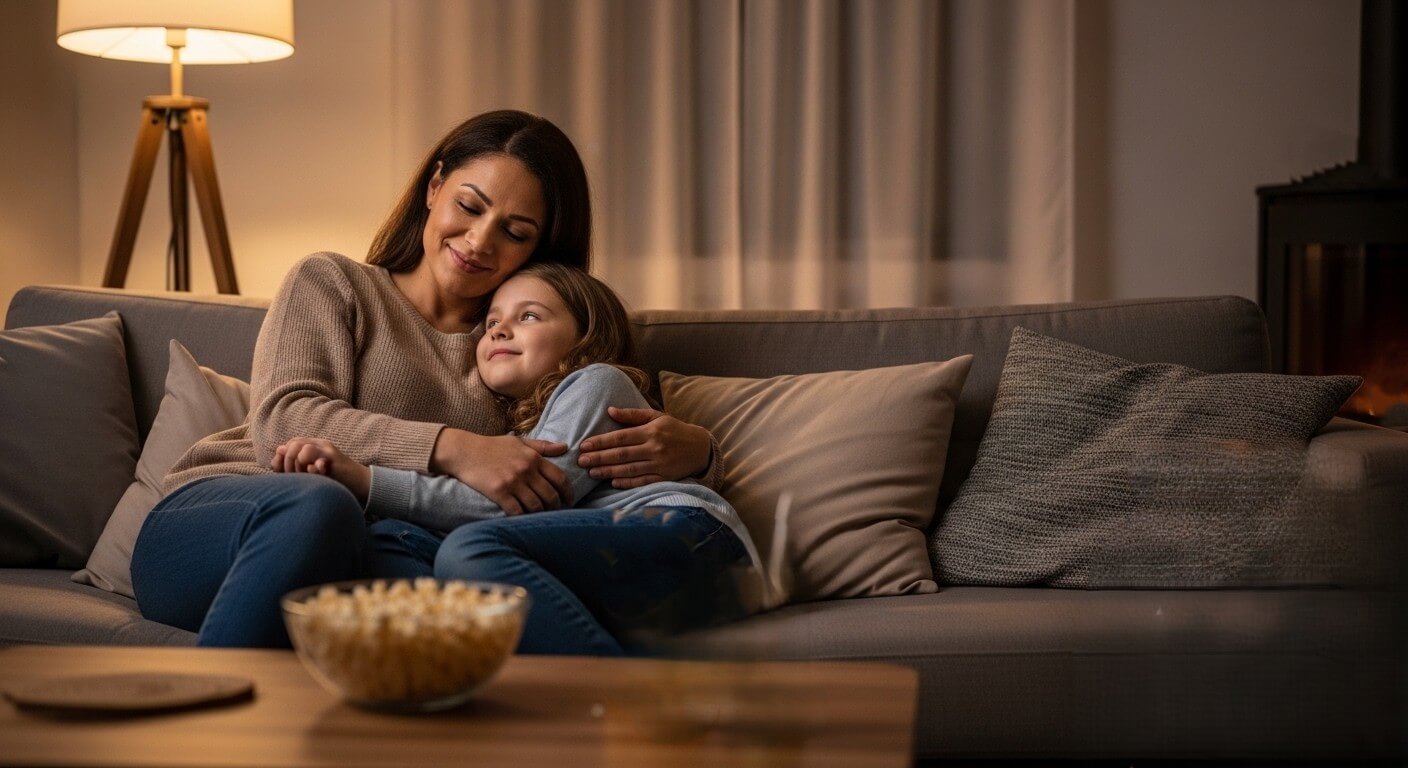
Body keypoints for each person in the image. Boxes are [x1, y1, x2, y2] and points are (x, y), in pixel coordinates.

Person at [130, 110, 722, 648]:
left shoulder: (525, 354)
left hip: (372, 561)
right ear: (435, 187)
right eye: (470, 206)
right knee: (323, 506)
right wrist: (456, 449)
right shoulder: (333, 283)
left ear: (542, 251)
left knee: (455, 601)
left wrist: (699, 454)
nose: (480, 240)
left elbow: (597, 467)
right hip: (219, 527)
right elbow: (283, 423)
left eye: (516, 232)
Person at [275, 263, 762, 656]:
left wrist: (365, 480)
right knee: (389, 543)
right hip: (608, 559)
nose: (500, 329)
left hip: (690, 536)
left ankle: (609, 711)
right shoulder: (511, 436)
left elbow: (506, 507)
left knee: (471, 551)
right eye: (491, 323)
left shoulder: (597, 384)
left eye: (528, 316)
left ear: (587, 338)